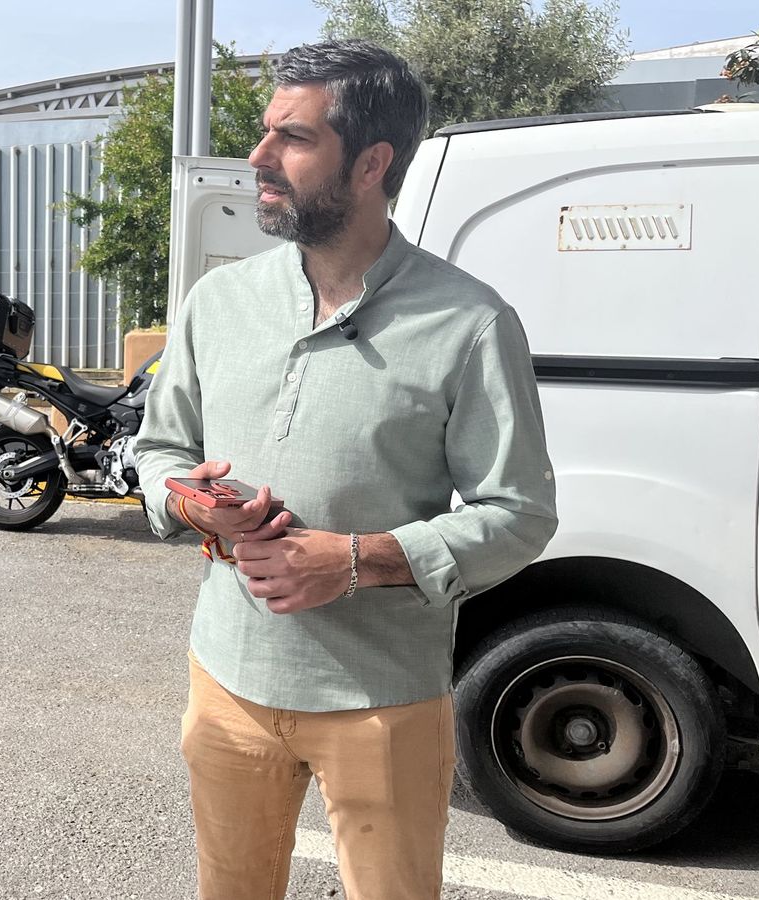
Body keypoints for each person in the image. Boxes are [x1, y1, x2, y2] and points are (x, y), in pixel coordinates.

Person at [134, 39, 558, 900]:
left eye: (291, 138)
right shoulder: (219, 301)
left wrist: (357, 560)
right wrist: (191, 504)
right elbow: (159, 452)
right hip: (225, 678)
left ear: (371, 162)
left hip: (382, 700)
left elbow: (519, 512)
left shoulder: (470, 323)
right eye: (264, 133)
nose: (257, 158)